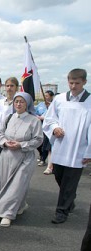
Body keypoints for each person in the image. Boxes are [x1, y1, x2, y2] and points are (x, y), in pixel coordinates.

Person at [43, 68, 91, 224]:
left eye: (77, 83)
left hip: (79, 149)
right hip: (61, 146)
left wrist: (89, 151)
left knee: (70, 182)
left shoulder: (90, 102)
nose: (73, 86)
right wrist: (55, 128)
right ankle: (69, 199)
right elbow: (50, 118)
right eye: (71, 83)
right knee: (59, 177)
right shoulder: (60, 99)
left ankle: (61, 212)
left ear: (84, 82)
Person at [0, 92, 43, 227]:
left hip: (24, 157)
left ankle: (7, 213)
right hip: (7, 156)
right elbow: (0, 134)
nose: (18, 104)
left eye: (22, 101)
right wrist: (5, 143)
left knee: (17, 184)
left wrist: (21, 145)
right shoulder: (8, 118)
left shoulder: (34, 120)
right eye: (16, 101)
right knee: (4, 183)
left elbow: (38, 139)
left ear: (28, 104)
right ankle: (19, 205)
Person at [37, 90, 54, 172]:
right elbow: (34, 112)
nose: (46, 97)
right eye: (45, 95)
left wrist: (44, 118)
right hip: (40, 127)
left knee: (49, 147)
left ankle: (48, 164)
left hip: (51, 129)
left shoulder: (54, 105)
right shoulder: (40, 104)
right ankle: (42, 157)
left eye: (47, 96)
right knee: (40, 144)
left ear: (51, 97)